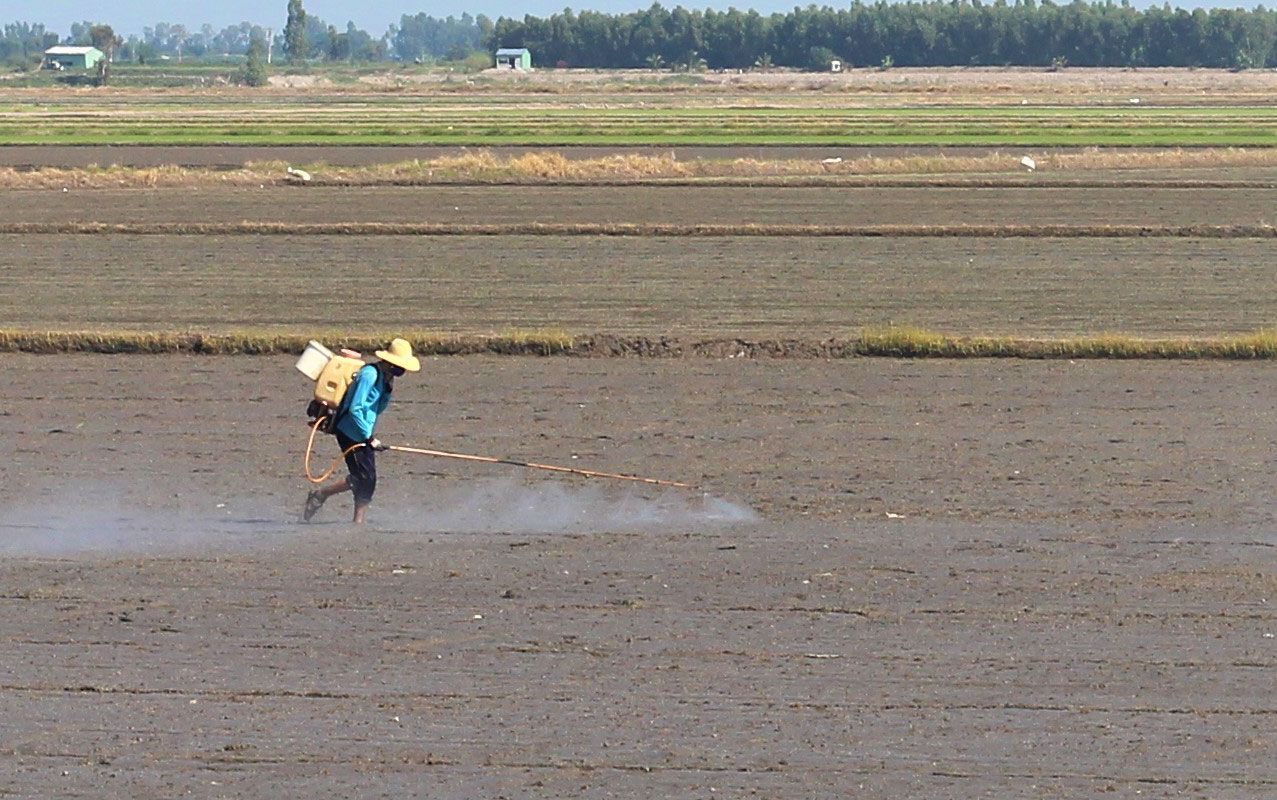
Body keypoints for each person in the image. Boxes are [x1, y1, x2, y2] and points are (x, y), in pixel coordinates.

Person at [303, 338, 420, 524]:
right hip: (349, 431)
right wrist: (369, 437)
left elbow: (376, 409)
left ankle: (358, 520)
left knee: (369, 480)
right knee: (363, 477)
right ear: (389, 363)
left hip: (362, 432)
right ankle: (321, 495)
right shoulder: (369, 375)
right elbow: (355, 408)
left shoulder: (385, 380)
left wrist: (388, 390)